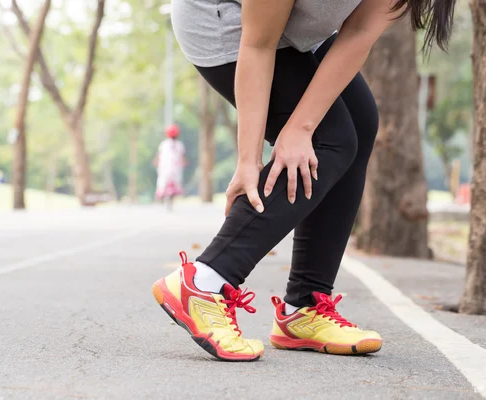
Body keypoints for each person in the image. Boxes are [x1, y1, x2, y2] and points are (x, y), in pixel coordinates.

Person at [152, 0, 455, 361]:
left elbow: (358, 32)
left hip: (297, 34)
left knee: (358, 123)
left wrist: (303, 127)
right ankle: (205, 282)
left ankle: (305, 308)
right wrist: (249, 161)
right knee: (332, 139)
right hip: (225, 22)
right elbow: (257, 44)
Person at [154, 124, 187, 210]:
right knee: (175, 183)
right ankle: (169, 199)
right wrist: (184, 163)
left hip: (164, 168)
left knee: (162, 183)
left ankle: (160, 197)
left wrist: (156, 162)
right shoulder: (180, 145)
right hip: (175, 169)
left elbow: (158, 156)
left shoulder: (163, 144)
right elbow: (183, 158)